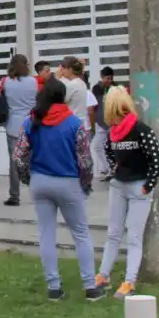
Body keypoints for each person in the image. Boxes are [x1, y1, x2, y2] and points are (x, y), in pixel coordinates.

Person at [13, 77, 102, 302]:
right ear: (63, 97)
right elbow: (85, 160)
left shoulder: (31, 121)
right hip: (68, 182)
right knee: (81, 233)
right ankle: (90, 286)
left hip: (40, 182)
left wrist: (27, 179)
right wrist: (86, 184)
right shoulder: (74, 123)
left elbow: (19, 156)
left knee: (46, 234)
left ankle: (54, 287)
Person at [96, 87, 159, 299]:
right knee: (113, 233)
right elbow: (108, 149)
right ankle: (103, 276)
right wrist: (115, 167)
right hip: (119, 185)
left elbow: (156, 160)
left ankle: (129, 282)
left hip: (138, 187)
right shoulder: (113, 132)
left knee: (134, 237)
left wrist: (148, 185)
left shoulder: (141, 130)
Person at [2, 54, 38, 207]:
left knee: (14, 162)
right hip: (31, 125)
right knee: (33, 161)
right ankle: (37, 193)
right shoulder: (33, 82)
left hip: (13, 126)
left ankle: (14, 196)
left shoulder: (6, 81)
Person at [91, 67, 115, 182]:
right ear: (102, 77)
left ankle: (110, 170)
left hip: (112, 122)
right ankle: (108, 169)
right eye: (107, 78)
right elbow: (99, 107)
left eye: (111, 78)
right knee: (97, 146)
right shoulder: (97, 88)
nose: (109, 81)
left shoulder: (113, 88)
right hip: (102, 123)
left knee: (110, 147)